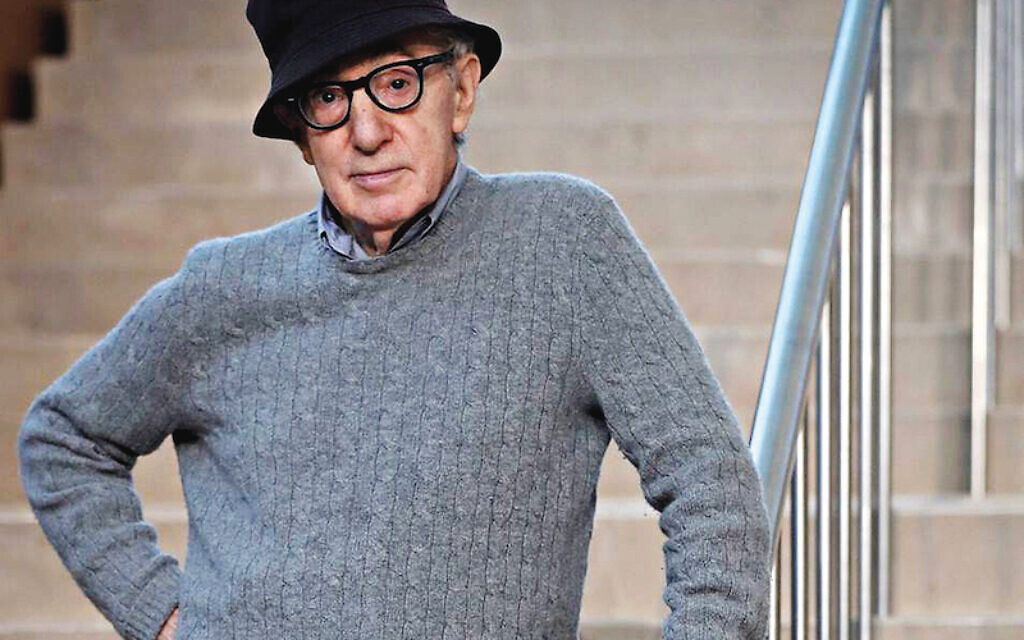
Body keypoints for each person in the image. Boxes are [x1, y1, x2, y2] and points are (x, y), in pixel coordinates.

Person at [17, 1, 771, 638]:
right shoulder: (222, 288)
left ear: (461, 90)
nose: (368, 130)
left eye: (398, 83)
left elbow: (710, 482)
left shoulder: (565, 241)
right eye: (329, 98)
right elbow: (63, 437)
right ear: (302, 136)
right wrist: (162, 614)